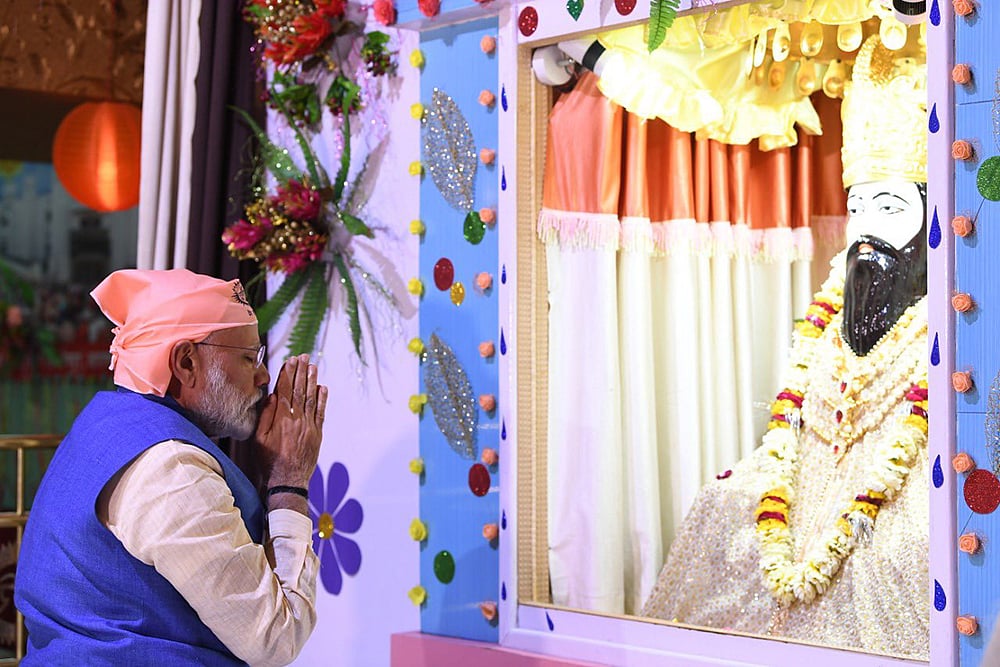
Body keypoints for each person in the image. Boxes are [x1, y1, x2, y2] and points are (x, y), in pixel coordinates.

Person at [641, 35, 930, 660]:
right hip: (805, 480)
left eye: (888, 207)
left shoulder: (948, 318)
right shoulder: (835, 310)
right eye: (857, 207)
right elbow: (802, 417)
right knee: (720, 506)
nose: (865, 230)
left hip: (904, 490)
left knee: (907, 553)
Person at [14, 268, 329, 666]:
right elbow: (276, 639)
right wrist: (289, 482)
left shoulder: (107, 421)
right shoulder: (171, 469)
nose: (264, 376)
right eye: (249, 358)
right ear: (186, 362)